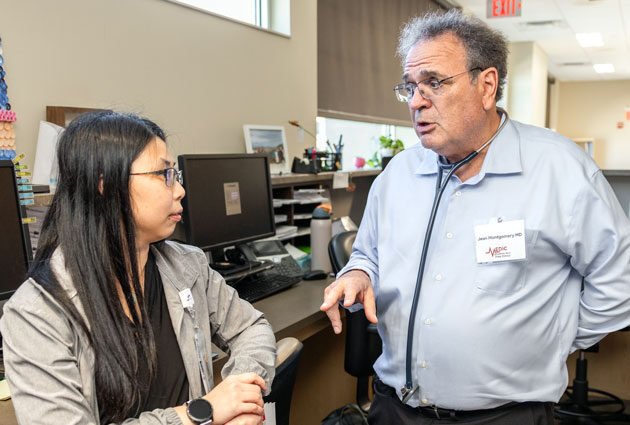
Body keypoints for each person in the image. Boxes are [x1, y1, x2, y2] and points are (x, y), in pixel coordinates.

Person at [320, 9, 630, 425]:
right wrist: (356, 274)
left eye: (434, 83)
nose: (416, 101)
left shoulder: (559, 170)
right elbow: (368, 255)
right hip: (395, 408)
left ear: (486, 86)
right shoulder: (397, 175)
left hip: (506, 416)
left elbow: (619, 279)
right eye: (410, 87)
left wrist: (552, 339)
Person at [1, 111, 276, 425]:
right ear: (104, 184)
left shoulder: (187, 266)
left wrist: (240, 395)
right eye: (164, 174)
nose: (180, 190)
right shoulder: (36, 314)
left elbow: (251, 328)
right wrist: (201, 413)